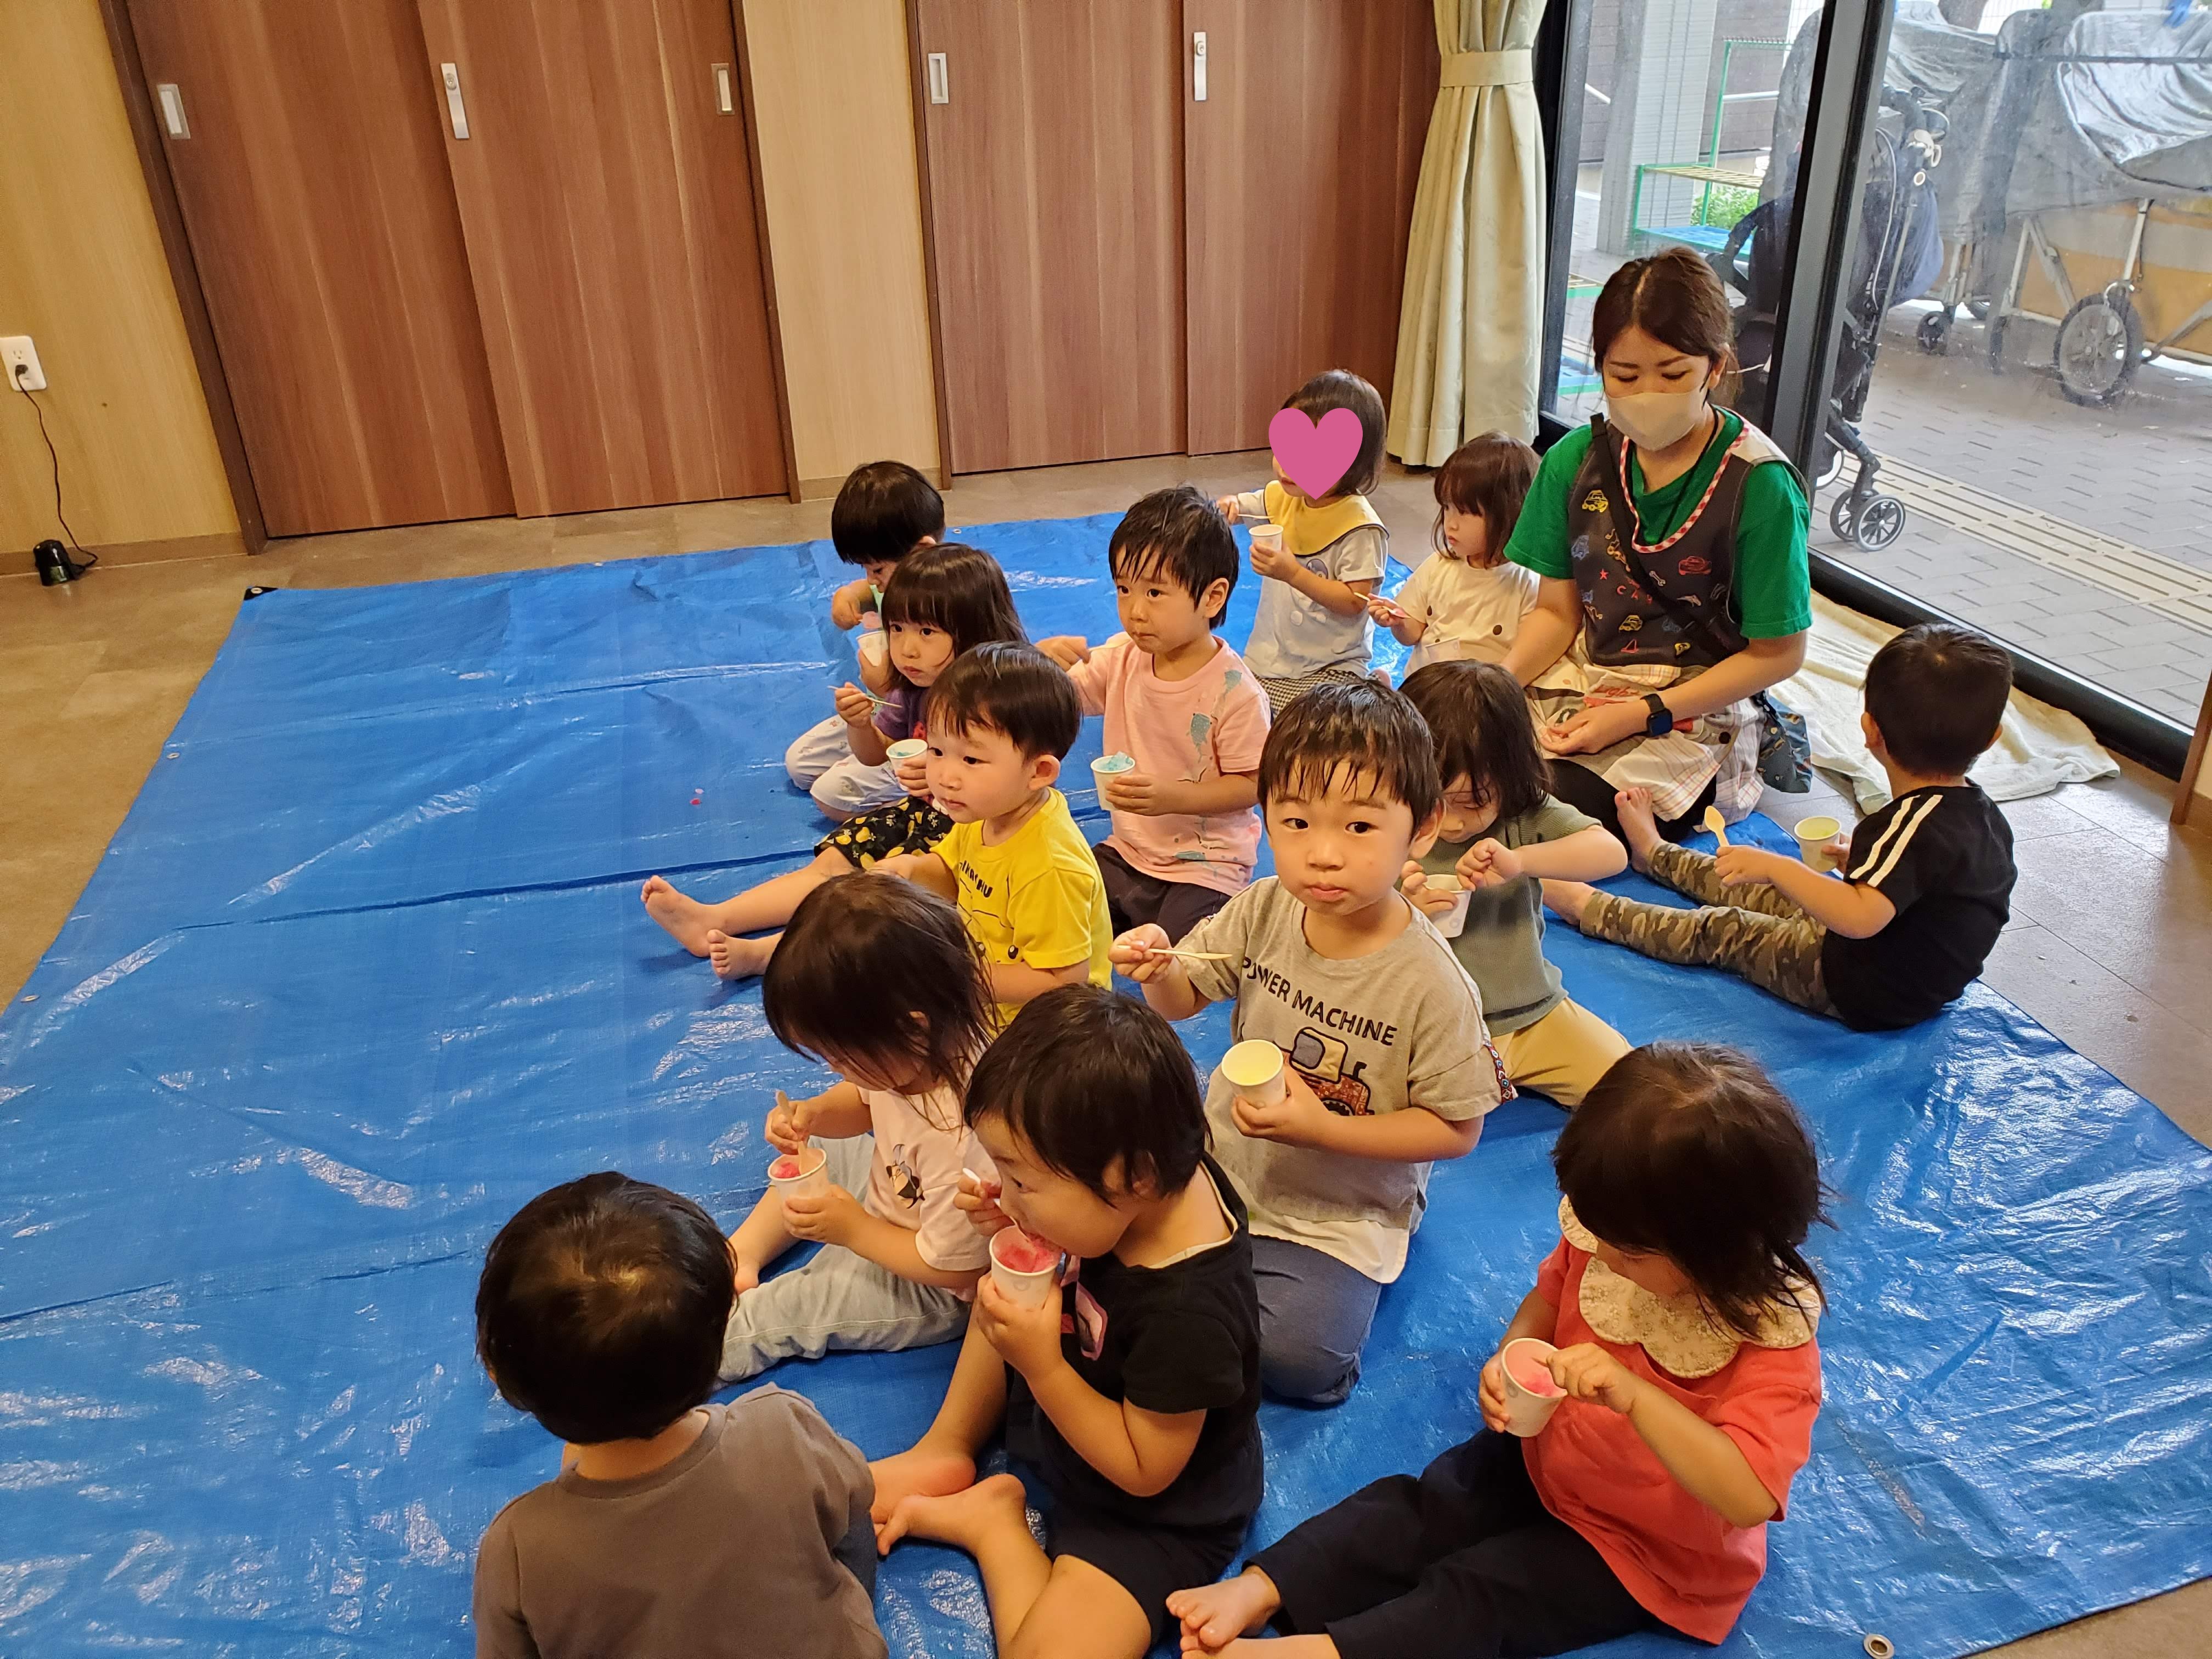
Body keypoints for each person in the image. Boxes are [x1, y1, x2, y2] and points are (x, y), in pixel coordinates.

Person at [1167, 1042, 1829, 1659]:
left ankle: (1319, 1651)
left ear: (1718, 1249)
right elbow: (1548, 1299)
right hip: (1551, 1461)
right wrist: (1512, 1357)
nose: (1606, 1260)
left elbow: (1745, 1497)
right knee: (1421, 1507)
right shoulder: (1613, 1246)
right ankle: (1266, 1587)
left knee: (1490, 1592)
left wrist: (1638, 1399)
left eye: (1629, 1252)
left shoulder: (1768, 1344)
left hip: (1642, 1550)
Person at [1114, 681, 1505, 1404]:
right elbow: (1183, 1000)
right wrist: (1158, 966)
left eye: (1358, 829)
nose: (1321, 856)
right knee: (1112, 1258)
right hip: (1229, 1161)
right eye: (1295, 822)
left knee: (1297, 1357)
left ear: (1421, 829)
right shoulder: (1264, 908)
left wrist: (1321, 1127)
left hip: (1341, 1212)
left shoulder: (1431, 983)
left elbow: (1457, 1129)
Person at [868, 985, 1263, 1659]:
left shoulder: (1189, 1313)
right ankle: (947, 1444)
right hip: (1078, 1388)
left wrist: (1042, 1365)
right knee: (1007, 1289)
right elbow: (1068, 1223)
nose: (1003, 1189)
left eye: (1021, 1179)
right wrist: (1017, 1212)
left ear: (1132, 1177)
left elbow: (1147, 1470)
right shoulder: (1137, 1180)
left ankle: (995, 1525)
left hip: (1151, 1511)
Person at [471, 1173, 885, 1659]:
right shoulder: (784, 1429)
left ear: (501, 1377)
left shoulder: (519, 1547)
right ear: (721, 1337)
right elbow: (855, 1523)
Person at [1545, 622, 2018, 1030]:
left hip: (1864, 988)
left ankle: (1590, 909)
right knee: (1742, 877)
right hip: (1902, 966)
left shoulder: (1913, 823)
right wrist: (1862, 866)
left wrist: (1777, 868)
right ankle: (1655, 854)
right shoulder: (1976, 814)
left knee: (1725, 928)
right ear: (1993, 737)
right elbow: (1936, 887)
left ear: (1870, 730)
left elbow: (1858, 919)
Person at [1498, 246, 1813, 845]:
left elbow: (1778, 653)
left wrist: (1643, 713)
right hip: (1582, 680)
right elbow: (1557, 614)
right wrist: (1498, 688)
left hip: (1695, 710)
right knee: (1447, 753)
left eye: (1672, 375)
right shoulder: (1577, 460)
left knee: (1555, 811)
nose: (1646, 394)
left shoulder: (1760, 485)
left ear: (1716, 368)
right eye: (1624, 376)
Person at [640, 543, 1025, 979]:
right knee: (831, 866)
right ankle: (715, 918)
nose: (906, 650)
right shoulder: (916, 690)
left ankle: (769, 954)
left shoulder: (999, 700)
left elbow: (1014, 784)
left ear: (976, 630)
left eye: (927, 633)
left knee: (872, 900)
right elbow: (873, 753)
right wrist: (859, 725)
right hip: (922, 814)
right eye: (897, 629)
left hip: (974, 839)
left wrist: (942, 776)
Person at [720, 876, 999, 1380]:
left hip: (930, 1283)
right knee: (816, 1150)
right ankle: (742, 1252)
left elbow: (957, 1268)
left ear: (913, 1029)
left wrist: (855, 1231)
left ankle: (702, 1354)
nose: (834, 1070)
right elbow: (868, 1103)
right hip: (896, 1193)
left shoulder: (965, 1139)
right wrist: (814, 1114)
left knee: (805, 1302)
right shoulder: (914, 1059)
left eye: (840, 1056)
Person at [1036, 487, 1271, 942]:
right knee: (1059, 910)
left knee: (1179, 961)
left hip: (1206, 865)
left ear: (1213, 597)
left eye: (1156, 592)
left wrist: (1173, 797)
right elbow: (1064, 701)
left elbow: (1254, 784)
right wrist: (1044, 664)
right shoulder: (1124, 655)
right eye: (1124, 589)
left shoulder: (1236, 693)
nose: (1135, 611)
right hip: (1128, 850)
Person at [1395, 662, 1632, 1107]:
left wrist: (1522, 860)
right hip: (1432, 1032)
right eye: (1430, 797)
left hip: (1532, 1018)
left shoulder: (1523, 815)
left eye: (1472, 801)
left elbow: (1611, 852)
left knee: (1634, 1090)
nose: (1449, 820)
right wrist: (1402, 916)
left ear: (1511, 777)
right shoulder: (1392, 821)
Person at [869, 642, 1113, 1024]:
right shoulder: (984, 814)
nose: (946, 777)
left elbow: (1061, 982)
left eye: (971, 759)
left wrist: (957, 978)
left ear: (1039, 772)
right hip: (987, 998)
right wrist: (912, 873)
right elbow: (954, 873)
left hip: (1048, 1034)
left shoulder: (1049, 867)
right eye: (936, 751)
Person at [1216, 371, 1390, 715]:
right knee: (1237, 711)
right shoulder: (1284, 496)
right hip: (1272, 654)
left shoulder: (1359, 526)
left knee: (1315, 727)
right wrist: (1229, 507)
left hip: (1333, 663)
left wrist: (1293, 573)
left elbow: (1354, 601)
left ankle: (1371, 690)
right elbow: (1247, 504)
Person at [785, 460, 946, 819]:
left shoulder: (951, 605)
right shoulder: (889, 584)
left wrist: (890, 682)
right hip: (885, 713)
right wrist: (847, 597)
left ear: (920, 553)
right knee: (800, 764)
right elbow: (864, 591)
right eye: (864, 569)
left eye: (876, 569)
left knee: (829, 797)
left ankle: (925, 801)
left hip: (926, 735)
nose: (872, 581)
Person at [1367, 432, 1541, 676]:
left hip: (1479, 697)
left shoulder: (1527, 583)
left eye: (1465, 512)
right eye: (1447, 508)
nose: (1451, 524)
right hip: (1425, 688)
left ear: (1509, 514)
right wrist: (1396, 621)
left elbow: (1528, 659)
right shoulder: (1440, 564)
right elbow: (1412, 634)